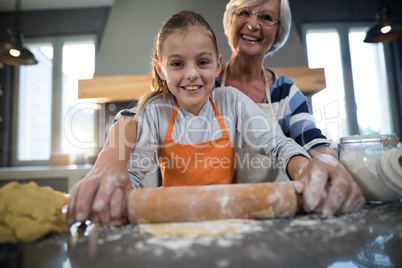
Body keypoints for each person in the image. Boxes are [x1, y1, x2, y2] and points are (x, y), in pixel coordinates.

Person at [67, 3, 365, 225]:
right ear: (160, 67)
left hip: (234, 214)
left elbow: (281, 144)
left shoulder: (233, 99)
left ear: (216, 65)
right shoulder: (157, 110)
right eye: (177, 64)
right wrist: (113, 172)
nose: (192, 75)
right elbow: (132, 147)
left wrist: (310, 168)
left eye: (265, 16)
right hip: (173, 219)